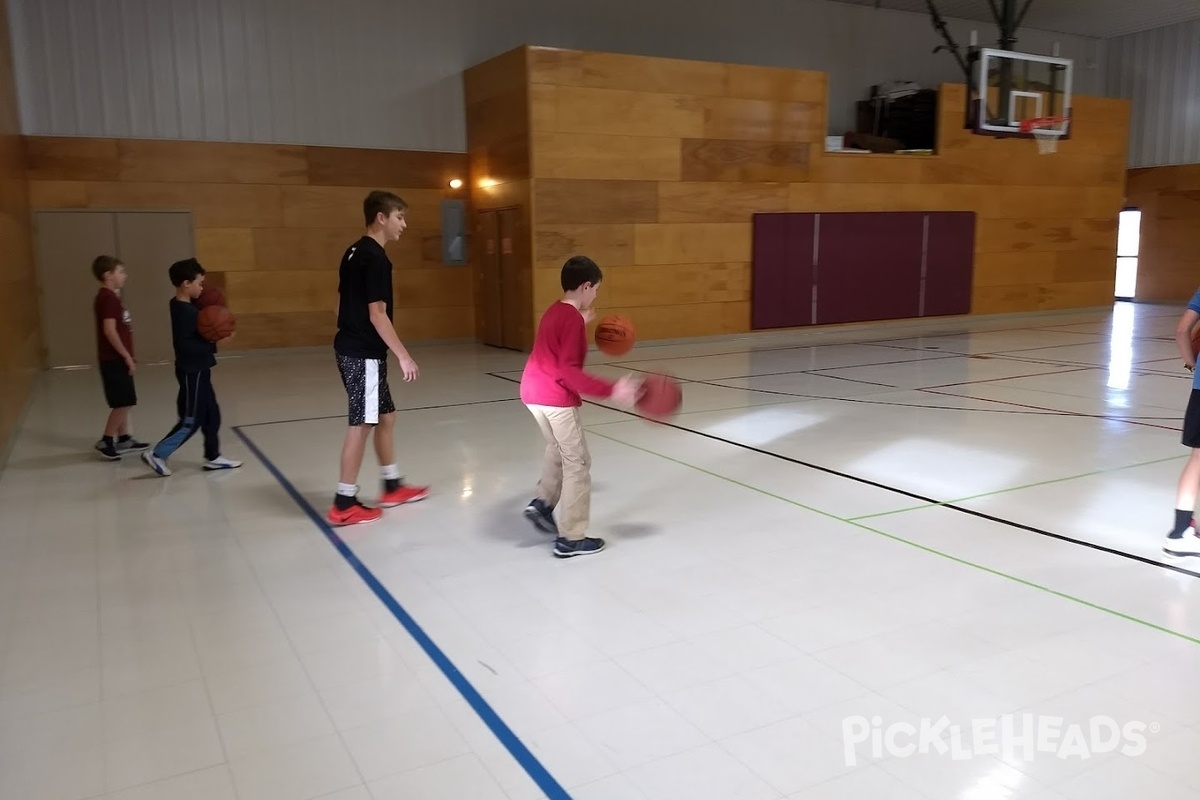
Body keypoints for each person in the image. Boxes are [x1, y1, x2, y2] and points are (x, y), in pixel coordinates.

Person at [519, 255, 641, 558]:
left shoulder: (555, 311)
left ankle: (542, 503)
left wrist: (580, 324)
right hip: (554, 398)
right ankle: (571, 538)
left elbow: (557, 345)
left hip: (532, 392)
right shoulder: (571, 319)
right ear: (586, 286)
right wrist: (614, 389)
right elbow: (569, 372)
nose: (596, 295)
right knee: (578, 462)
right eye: (596, 289)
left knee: (557, 448)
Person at [326, 191, 428, 527]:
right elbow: (378, 312)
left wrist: (347, 332)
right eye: (399, 217)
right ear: (381, 218)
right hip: (364, 354)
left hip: (351, 347)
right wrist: (403, 356)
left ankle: (392, 485)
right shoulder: (376, 258)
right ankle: (343, 503)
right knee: (363, 423)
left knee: (386, 416)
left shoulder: (353, 251)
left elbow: (340, 301)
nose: (404, 224)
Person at [142, 259, 241, 476]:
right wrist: (216, 339)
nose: (202, 288)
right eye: (199, 283)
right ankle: (158, 454)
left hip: (200, 370)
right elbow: (186, 345)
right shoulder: (186, 313)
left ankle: (213, 456)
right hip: (191, 372)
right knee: (191, 420)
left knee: (211, 414)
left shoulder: (182, 306)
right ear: (186, 283)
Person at [91, 255, 148, 460]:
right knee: (124, 402)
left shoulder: (110, 296)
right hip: (113, 359)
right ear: (108, 275)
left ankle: (124, 439)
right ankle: (106, 440)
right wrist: (126, 356)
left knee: (124, 398)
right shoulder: (108, 298)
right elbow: (109, 330)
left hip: (116, 358)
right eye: (121, 272)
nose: (125, 276)